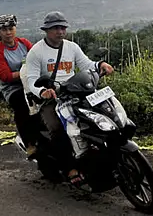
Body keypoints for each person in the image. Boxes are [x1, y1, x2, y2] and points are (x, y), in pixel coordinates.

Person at [24, 10, 114, 186]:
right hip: (52, 100)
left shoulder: (71, 47)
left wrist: (101, 65)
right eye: (55, 28)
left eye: (63, 28)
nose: (60, 31)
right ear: (46, 30)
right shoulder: (36, 52)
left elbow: (87, 64)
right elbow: (32, 80)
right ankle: (70, 168)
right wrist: (43, 91)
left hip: (76, 93)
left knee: (100, 117)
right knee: (58, 130)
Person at [0, 14, 38, 157]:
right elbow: (5, 76)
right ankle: (29, 143)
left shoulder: (24, 43)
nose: (8, 32)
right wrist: (24, 72)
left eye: (11, 28)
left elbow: (36, 57)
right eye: (4, 30)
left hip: (31, 82)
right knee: (22, 105)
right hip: (13, 88)